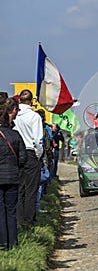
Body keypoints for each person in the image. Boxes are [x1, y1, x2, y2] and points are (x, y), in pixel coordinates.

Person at [13, 89, 43, 225]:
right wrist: (38, 154)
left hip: (16, 152)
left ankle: (19, 220)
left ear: (19, 100)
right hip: (30, 152)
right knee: (31, 189)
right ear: (31, 101)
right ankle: (29, 220)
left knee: (19, 189)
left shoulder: (15, 115)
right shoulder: (34, 116)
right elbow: (38, 140)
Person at [0, 99, 27, 250]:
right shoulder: (16, 135)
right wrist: (15, 166)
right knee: (11, 211)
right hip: (12, 176)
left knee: (0, 211)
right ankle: (13, 243)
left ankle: (2, 244)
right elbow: (23, 157)